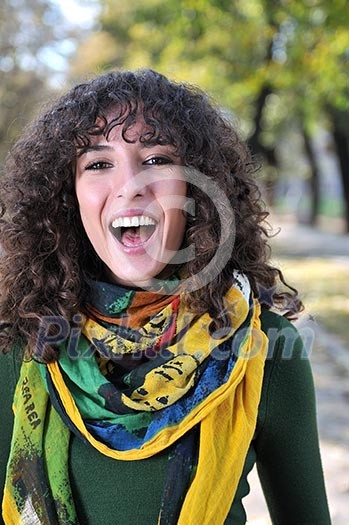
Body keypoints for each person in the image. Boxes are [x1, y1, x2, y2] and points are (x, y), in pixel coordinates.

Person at [0, 69, 331, 525]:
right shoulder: (20, 345)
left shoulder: (268, 350)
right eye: (98, 164)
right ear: (66, 196)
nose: (130, 185)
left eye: (155, 159)